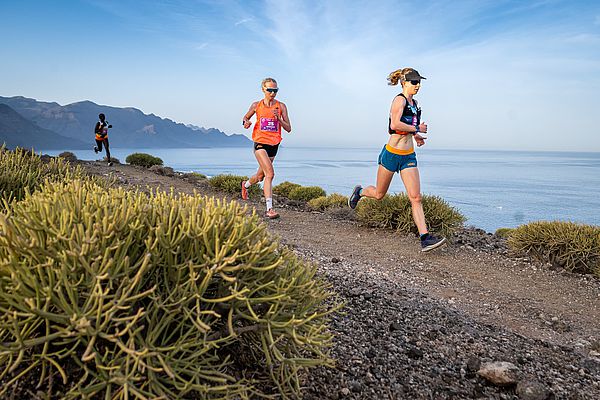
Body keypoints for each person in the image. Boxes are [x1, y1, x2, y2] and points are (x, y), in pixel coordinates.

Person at [348, 68, 446, 252]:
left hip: (408, 155)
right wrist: (417, 127)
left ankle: (425, 238)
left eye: (419, 82)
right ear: (404, 83)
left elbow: (409, 128)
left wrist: (416, 136)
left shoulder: (415, 104)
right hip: (391, 154)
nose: (418, 85)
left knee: (416, 197)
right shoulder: (399, 100)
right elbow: (395, 124)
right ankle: (360, 192)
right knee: (379, 195)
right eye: (414, 82)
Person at [240, 77, 292, 219]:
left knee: (260, 176)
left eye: (275, 90)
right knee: (270, 174)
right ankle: (270, 209)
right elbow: (245, 117)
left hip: (274, 145)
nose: (273, 93)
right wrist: (246, 123)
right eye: (270, 90)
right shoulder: (257, 105)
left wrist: (279, 119)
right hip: (260, 143)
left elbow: (289, 128)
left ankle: (246, 185)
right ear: (263, 89)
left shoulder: (281, 107)